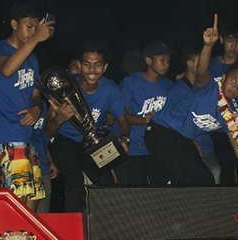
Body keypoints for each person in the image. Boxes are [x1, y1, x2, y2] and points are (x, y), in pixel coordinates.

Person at [146, 15, 238, 186]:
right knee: (183, 179)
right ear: (224, 77)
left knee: (206, 180)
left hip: (183, 140)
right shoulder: (208, 88)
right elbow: (202, 71)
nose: (236, 85)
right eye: (234, 79)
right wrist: (208, 45)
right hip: (160, 130)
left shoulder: (230, 117)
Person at [46, 43, 129, 212]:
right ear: (79, 66)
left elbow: (123, 120)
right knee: (75, 185)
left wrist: (124, 138)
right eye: (87, 64)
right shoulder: (65, 89)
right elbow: (47, 132)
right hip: (65, 141)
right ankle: (72, 233)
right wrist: (59, 119)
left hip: (92, 143)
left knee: (106, 186)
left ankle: (106, 230)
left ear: (105, 67)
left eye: (97, 65)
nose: (92, 69)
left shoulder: (111, 89)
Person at [0, 3, 53, 210]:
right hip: (7, 133)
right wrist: (35, 39)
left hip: (27, 135)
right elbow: (7, 69)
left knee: (33, 196)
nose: (33, 32)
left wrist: (37, 108)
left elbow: (35, 94)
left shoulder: (32, 58)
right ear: (14, 24)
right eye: (29, 26)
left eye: (36, 28)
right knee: (18, 199)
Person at [208, 23, 238, 185]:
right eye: (230, 40)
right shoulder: (211, 65)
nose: (233, 46)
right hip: (219, 128)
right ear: (222, 40)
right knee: (226, 170)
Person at [118, 41, 173, 185]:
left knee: (161, 194)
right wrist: (145, 120)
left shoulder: (169, 85)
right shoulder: (131, 82)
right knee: (138, 195)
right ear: (149, 60)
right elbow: (123, 116)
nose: (166, 64)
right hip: (135, 149)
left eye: (168, 60)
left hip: (160, 149)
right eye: (162, 60)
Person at [167, 48, 220, 183]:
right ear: (190, 63)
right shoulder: (176, 90)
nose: (205, 65)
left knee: (216, 173)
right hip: (186, 148)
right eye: (201, 62)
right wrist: (189, 141)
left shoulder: (208, 88)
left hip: (208, 147)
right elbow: (170, 122)